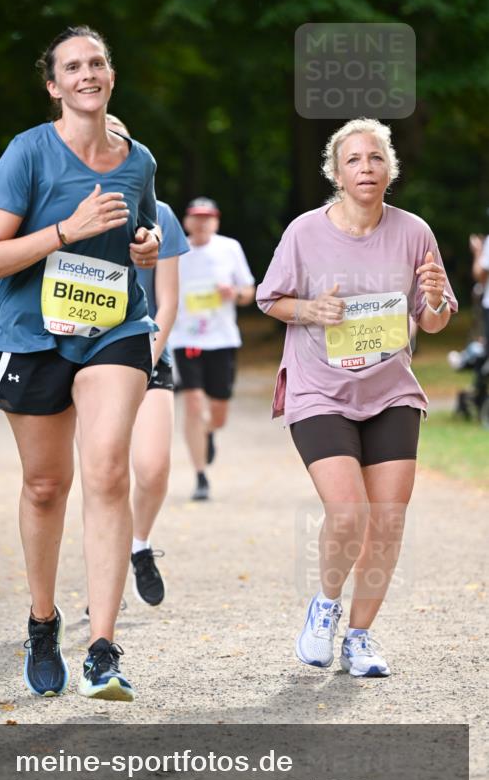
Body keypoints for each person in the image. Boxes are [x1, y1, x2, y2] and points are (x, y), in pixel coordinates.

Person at [0, 26, 161, 702]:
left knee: (106, 469)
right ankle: (43, 621)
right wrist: (64, 232)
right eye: (72, 66)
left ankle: (103, 649)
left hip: (115, 328)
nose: (87, 73)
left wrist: (145, 245)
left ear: (111, 75)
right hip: (31, 334)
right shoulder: (27, 153)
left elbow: (141, 230)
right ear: (53, 84)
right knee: (46, 486)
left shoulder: (138, 160)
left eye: (98, 62)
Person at [256, 118, 457, 678]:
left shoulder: (414, 231)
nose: (365, 168)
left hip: (390, 389)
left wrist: (436, 300)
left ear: (389, 169)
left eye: (375, 158)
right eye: (353, 160)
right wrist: (311, 310)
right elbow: (270, 298)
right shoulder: (304, 231)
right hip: (319, 386)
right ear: (336, 172)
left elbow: (433, 322)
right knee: (348, 513)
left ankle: (360, 637)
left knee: (388, 520)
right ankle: (325, 607)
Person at [104, 114, 189, 606]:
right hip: (87, 359)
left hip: (147, 351)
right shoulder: (71, 209)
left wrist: (144, 359)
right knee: (104, 471)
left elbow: (169, 301)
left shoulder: (161, 214)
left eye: (120, 137)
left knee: (152, 468)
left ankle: (139, 545)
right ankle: (107, 570)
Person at [169, 198, 255, 501]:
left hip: (222, 338)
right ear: (187, 221)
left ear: (216, 222)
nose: (202, 223)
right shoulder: (175, 250)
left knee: (218, 413)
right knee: (192, 402)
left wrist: (235, 293)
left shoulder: (229, 248)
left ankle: (209, 432)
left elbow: (248, 291)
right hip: (185, 338)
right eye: (197, 218)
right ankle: (200, 475)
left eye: (208, 218)